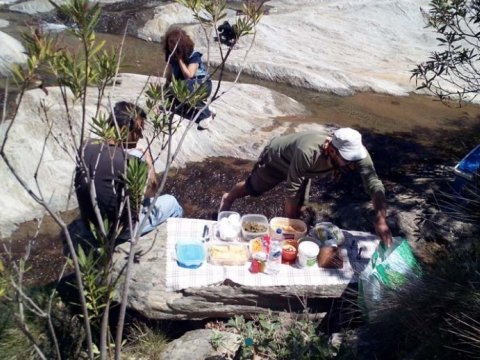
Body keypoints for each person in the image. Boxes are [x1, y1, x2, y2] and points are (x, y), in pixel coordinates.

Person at [219, 128, 393, 247]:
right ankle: (228, 197)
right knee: (254, 188)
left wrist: (381, 219)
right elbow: (291, 191)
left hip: (305, 170)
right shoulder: (308, 152)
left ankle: (292, 231)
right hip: (278, 159)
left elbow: (374, 183)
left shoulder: (357, 153)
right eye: (348, 159)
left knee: (301, 206)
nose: (353, 164)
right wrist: (291, 225)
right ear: (332, 150)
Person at [74, 101, 183, 243]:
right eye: (138, 131)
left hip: (89, 225)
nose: (141, 137)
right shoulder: (129, 160)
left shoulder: (86, 145)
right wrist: (147, 160)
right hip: (118, 231)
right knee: (172, 203)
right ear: (125, 129)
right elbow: (152, 192)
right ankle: (175, 243)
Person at [162, 27, 215, 131]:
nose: (170, 47)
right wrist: (164, 91)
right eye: (169, 44)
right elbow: (169, 76)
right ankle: (204, 110)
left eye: (173, 44)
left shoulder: (194, 55)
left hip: (202, 85)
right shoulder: (171, 56)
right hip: (184, 86)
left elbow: (189, 75)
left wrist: (180, 59)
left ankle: (206, 114)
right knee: (169, 101)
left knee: (184, 87)